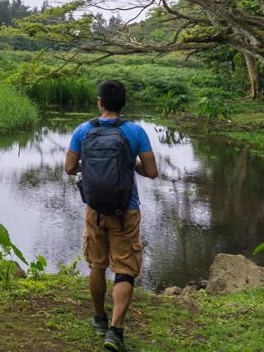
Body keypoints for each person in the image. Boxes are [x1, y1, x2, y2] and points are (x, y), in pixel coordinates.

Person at [64, 80, 158, 352]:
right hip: (126, 210)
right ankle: (115, 331)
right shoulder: (135, 131)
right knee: (125, 268)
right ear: (123, 104)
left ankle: (99, 318)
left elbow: (70, 168)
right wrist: (132, 164)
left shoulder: (83, 130)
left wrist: (91, 166)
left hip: (94, 210)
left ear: (100, 102)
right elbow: (151, 172)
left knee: (97, 264)